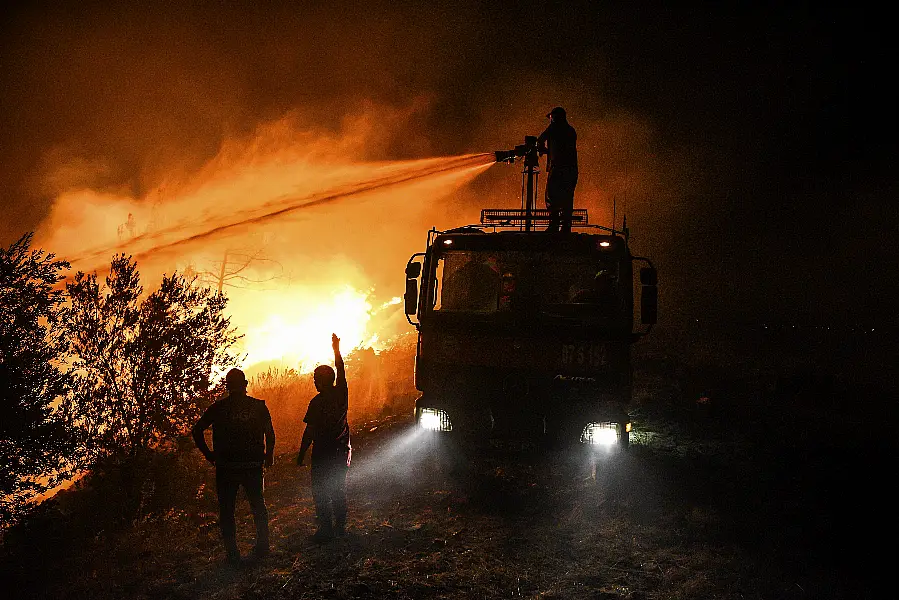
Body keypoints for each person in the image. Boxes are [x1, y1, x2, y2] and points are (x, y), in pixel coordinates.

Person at [192, 368, 275, 565]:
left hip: (226, 467)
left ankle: (232, 553)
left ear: (227, 386)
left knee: (227, 510)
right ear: (245, 384)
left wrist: (209, 455)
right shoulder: (258, 406)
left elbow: (197, 431)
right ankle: (263, 546)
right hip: (252, 465)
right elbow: (270, 434)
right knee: (258, 506)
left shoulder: (217, 408)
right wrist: (269, 456)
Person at [297, 333, 352, 541]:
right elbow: (341, 370)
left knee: (320, 491)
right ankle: (339, 529)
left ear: (321, 381)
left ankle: (326, 529)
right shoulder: (341, 394)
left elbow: (309, 431)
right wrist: (336, 349)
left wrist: (302, 454)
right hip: (341, 450)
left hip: (323, 452)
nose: (314, 382)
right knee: (337, 489)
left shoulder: (317, 403)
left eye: (315, 379)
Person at [537, 107, 579, 233]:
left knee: (551, 196)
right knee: (567, 198)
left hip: (557, 168)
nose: (550, 120)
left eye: (550, 118)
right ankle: (566, 228)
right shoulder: (571, 130)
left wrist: (542, 150)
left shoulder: (554, 127)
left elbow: (540, 139)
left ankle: (553, 226)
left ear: (554, 117)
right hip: (572, 170)